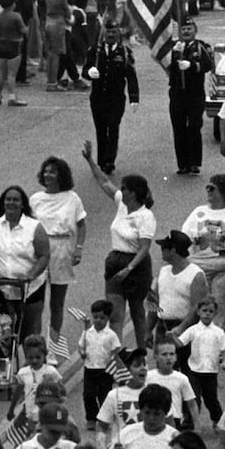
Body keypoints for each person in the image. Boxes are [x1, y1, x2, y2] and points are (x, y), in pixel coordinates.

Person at [83, 143, 156, 347]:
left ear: (133, 193)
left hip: (136, 265)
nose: (120, 190)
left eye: (124, 188)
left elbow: (144, 247)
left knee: (137, 311)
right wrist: (90, 160)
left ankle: (140, 354)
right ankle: (117, 355)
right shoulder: (122, 205)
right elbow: (104, 182)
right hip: (115, 261)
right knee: (115, 314)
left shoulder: (145, 216)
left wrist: (129, 268)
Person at [0, 185, 51, 344]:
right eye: (8, 199)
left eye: (15, 200)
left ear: (23, 204)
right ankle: (2, 365)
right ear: (3, 202)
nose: (11, 203)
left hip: (29, 290)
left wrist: (32, 274)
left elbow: (44, 255)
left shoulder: (34, 227)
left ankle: (30, 366)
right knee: (1, 335)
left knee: (29, 334)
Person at [181, 178, 225, 333]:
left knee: (219, 313)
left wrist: (209, 237)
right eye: (207, 188)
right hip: (198, 268)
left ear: (224, 192)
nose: (208, 191)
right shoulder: (199, 211)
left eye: (212, 188)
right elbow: (185, 236)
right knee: (196, 312)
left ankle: (219, 351)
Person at [86, 20, 139, 174]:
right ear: (104, 33)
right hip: (98, 97)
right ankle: (101, 161)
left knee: (113, 127)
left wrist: (134, 98)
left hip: (116, 99)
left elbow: (131, 76)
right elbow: (85, 70)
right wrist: (89, 72)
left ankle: (109, 161)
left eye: (113, 32)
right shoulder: (95, 51)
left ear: (118, 34)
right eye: (108, 32)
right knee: (101, 129)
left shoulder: (124, 52)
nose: (110, 35)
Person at [153, 229, 209, 363]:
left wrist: (181, 329)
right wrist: (149, 329)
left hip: (185, 329)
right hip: (163, 326)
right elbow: (155, 301)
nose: (161, 251)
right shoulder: (163, 271)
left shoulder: (195, 275)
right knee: (164, 370)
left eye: (164, 248)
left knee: (187, 369)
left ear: (173, 251)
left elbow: (197, 307)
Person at [169, 18, 215, 175]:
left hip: (194, 95)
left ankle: (194, 163)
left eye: (189, 29)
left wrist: (193, 65)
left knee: (194, 128)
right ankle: (182, 164)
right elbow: (166, 65)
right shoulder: (174, 47)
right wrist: (174, 54)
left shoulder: (201, 47)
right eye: (183, 29)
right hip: (177, 94)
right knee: (179, 129)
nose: (186, 32)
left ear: (195, 31)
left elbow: (208, 65)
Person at [177, 297, 225, 426]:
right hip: (194, 369)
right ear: (198, 312)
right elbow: (180, 343)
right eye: (204, 310)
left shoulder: (218, 332)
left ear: (215, 314)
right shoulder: (193, 330)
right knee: (193, 396)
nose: (207, 313)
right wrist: (172, 337)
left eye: (210, 311)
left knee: (211, 399)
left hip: (210, 371)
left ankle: (217, 419)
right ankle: (189, 421)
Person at [79, 298, 122, 428]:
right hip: (90, 367)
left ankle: (104, 418)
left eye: (102, 317)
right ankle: (91, 418)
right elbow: (81, 345)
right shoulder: (87, 332)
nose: (98, 320)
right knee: (88, 394)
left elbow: (116, 348)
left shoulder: (111, 335)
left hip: (104, 369)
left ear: (107, 318)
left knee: (104, 394)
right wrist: (82, 352)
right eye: (95, 317)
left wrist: (112, 360)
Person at [0, 0, 28, 106]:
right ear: (13, 3)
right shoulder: (16, 16)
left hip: (1, 45)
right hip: (14, 45)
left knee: (1, 73)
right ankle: (12, 97)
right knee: (12, 74)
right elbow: (23, 30)